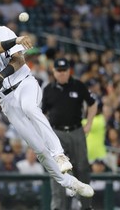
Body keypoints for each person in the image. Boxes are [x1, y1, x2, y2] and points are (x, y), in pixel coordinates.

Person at [0, 7, 94, 197]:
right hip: (5, 99)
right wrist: (16, 40)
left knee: (30, 108)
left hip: (25, 83)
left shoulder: (3, 30)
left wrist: (1, 74)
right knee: (38, 148)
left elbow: (19, 60)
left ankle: (59, 154)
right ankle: (70, 183)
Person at [42, 58, 98, 210]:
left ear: (69, 71)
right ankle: (58, 207)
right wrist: (46, 132)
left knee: (82, 169)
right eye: (59, 70)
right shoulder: (48, 89)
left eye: (64, 70)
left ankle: (86, 206)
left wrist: (89, 123)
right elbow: (41, 114)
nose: (62, 73)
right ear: (53, 71)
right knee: (57, 171)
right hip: (57, 133)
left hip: (76, 131)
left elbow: (93, 104)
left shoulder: (78, 85)